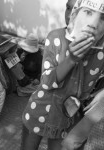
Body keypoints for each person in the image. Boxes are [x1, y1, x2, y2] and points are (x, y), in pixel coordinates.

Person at [20, 0, 104, 149]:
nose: (93, 23)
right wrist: (71, 59)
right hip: (39, 108)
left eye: (102, 17)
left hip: (66, 117)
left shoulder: (100, 51)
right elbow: (46, 81)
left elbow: (85, 91)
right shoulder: (55, 37)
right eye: (69, 8)